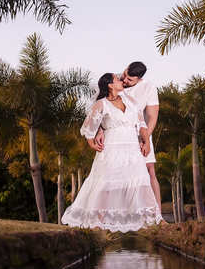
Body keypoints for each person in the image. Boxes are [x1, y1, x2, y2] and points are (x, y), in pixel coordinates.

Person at [62, 73, 163, 232]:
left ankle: (158, 219)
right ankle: (98, 223)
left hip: (132, 150)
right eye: (117, 80)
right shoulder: (101, 104)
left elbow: (141, 123)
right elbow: (88, 125)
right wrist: (92, 144)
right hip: (112, 150)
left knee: (141, 183)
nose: (122, 81)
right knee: (106, 185)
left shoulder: (130, 101)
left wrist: (147, 142)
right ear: (110, 85)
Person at [93, 61, 161, 206]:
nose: (124, 80)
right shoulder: (113, 81)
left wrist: (145, 140)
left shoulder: (149, 88)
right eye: (124, 75)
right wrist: (99, 130)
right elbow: (96, 109)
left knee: (149, 171)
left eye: (130, 80)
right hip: (116, 137)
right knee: (111, 175)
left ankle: (157, 216)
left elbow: (152, 118)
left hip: (142, 134)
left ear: (139, 80)